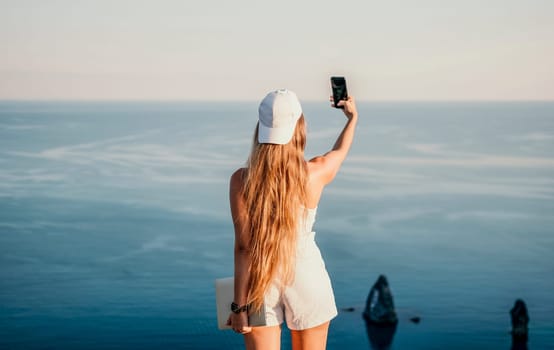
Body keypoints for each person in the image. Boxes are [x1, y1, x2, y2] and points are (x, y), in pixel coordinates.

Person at [227, 88, 358, 350]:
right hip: (307, 275)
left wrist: (238, 306)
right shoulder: (315, 172)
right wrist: (352, 118)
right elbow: (340, 151)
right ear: (299, 127)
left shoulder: (241, 180)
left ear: (261, 129)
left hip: (260, 278)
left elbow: (244, 248)